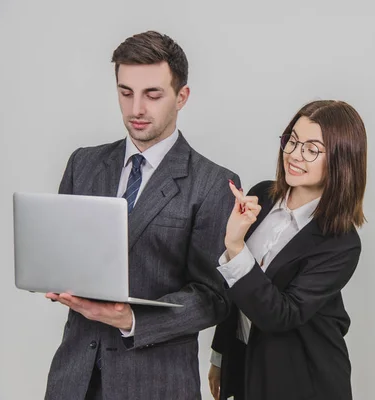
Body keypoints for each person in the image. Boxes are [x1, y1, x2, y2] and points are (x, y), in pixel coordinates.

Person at [44, 31, 239, 400]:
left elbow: (214, 298)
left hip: (156, 384)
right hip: (73, 379)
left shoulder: (214, 184)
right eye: (125, 92)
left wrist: (132, 320)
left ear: (182, 97)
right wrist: (53, 276)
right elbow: (64, 253)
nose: (136, 109)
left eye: (152, 94)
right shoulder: (83, 164)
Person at [208, 100, 367, 400]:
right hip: (247, 363)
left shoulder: (342, 243)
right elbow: (236, 291)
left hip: (304, 378)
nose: (294, 155)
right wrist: (220, 354)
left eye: (311, 149)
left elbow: (281, 314)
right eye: (292, 141)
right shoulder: (261, 196)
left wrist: (235, 246)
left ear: (340, 159)